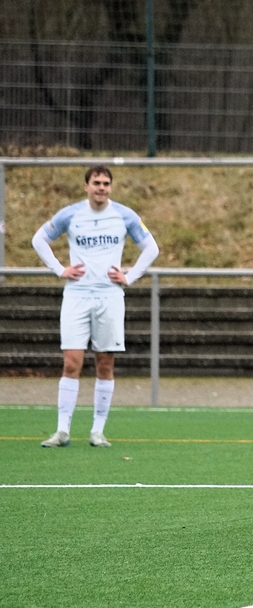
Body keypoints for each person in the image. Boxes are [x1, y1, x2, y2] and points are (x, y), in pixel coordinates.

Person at [31, 165, 159, 449]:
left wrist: (130, 276)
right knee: (71, 362)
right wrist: (59, 269)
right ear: (86, 186)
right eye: (96, 183)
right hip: (76, 295)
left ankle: (97, 431)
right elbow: (38, 239)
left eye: (106, 183)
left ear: (110, 188)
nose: (101, 188)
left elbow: (152, 248)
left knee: (105, 363)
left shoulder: (125, 215)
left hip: (110, 296)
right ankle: (62, 430)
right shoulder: (71, 214)